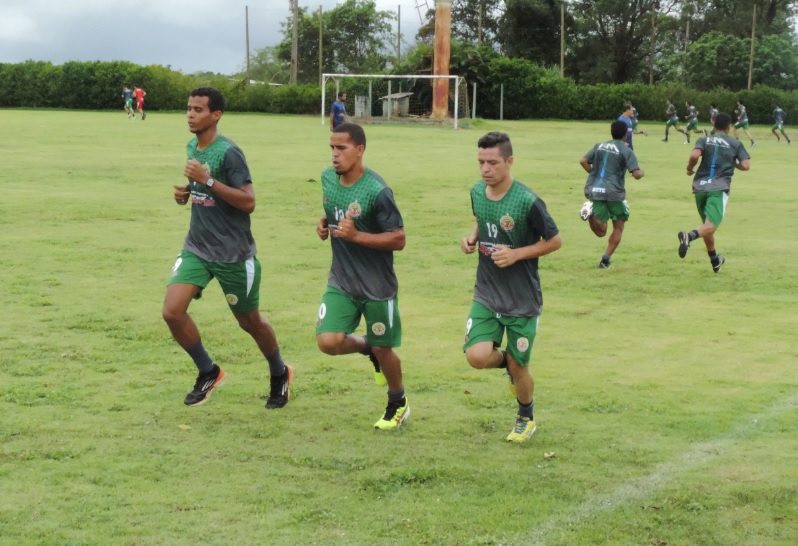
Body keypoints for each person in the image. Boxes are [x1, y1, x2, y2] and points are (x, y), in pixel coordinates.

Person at [163, 87, 293, 409]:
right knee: (172, 312)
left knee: (250, 322)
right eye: (189, 108)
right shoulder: (193, 145)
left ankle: (279, 372)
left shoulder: (229, 153)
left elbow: (248, 201)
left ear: (215, 115)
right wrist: (189, 193)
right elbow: (205, 191)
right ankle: (209, 371)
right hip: (197, 247)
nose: (190, 115)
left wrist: (206, 182)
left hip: (233, 255)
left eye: (198, 109)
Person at [460, 132, 562, 444]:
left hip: (522, 299)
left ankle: (526, 417)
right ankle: (509, 365)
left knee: (522, 368)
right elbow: (481, 217)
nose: (485, 169)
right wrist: (473, 237)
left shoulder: (528, 201)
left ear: (510, 161)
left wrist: (517, 253)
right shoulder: (477, 191)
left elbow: (555, 241)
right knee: (476, 356)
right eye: (481, 162)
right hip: (487, 293)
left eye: (492, 162)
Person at [315, 122, 409, 430]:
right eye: (332, 147)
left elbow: (398, 239)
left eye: (341, 148)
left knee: (385, 349)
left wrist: (357, 238)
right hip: (341, 280)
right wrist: (324, 223)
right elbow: (333, 209)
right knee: (328, 341)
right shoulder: (328, 179)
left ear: (359, 150)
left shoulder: (377, 191)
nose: (334, 155)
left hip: (377, 286)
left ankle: (398, 402)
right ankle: (366, 346)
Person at [677, 112, 751, 273]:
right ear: (729, 126)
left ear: (714, 124)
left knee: (706, 226)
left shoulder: (704, 139)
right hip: (718, 187)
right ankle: (688, 236)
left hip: (699, 187)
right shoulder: (735, 143)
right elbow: (746, 165)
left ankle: (715, 260)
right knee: (710, 227)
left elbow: (695, 154)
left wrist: (690, 168)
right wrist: (735, 164)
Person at [579, 120, 645, 269]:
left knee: (601, 231)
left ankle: (590, 214)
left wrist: (593, 174)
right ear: (625, 135)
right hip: (614, 192)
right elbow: (636, 174)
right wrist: (642, 172)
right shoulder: (626, 150)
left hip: (595, 190)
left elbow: (583, 161)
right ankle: (605, 260)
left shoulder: (599, 146)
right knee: (618, 227)